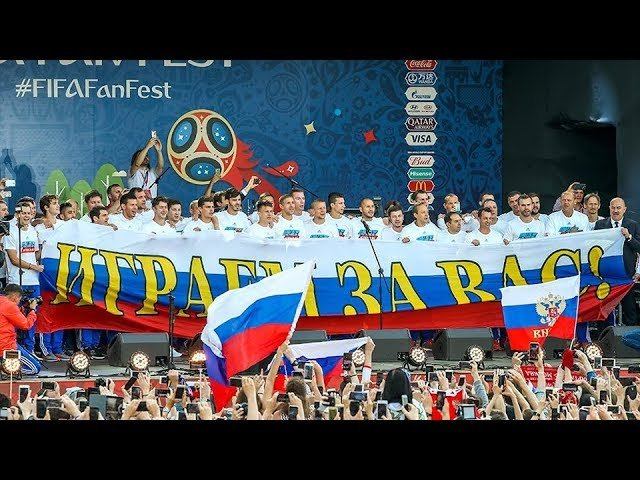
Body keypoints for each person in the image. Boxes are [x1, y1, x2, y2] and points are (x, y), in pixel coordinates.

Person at [2, 202, 44, 360]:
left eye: (29, 213)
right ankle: (14, 349)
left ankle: (29, 349)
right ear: (18, 214)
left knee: (32, 313)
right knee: (16, 316)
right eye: (24, 213)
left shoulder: (33, 231)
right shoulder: (11, 233)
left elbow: (35, 254)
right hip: (17, 281)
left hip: (33, 280)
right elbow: (13, 259)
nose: (27, 216)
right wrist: (33, 266)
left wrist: (47, 245)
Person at [594, 197, 640, 326]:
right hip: (606, 274)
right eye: (613, 207)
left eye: (618, 208)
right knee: (605, 306)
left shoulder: (633, 225)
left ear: (624, 209)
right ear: (609, 208)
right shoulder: (600, 225)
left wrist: (629, 236)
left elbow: (638, 247)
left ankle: (631, 333)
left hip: (626, 273)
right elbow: (594, 247)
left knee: (629, 307)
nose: (615, 210)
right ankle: (604, 333)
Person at [0, 284, 41, 375]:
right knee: (35, 368)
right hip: (6, 347)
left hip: (5, 343)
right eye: (19, 298)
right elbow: (25, 325)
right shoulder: (10, 305)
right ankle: (5, 368)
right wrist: (32, 310)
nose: (19, 301)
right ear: (15, 297)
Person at [129, 136, 164, 203]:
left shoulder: (153, 172)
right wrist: (147, 147)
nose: (145, 158)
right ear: (136, 159)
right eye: (143, 156)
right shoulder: (132, 171)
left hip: (151, 206)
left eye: (147, 156)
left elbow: (160, 166)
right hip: (136, 206)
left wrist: (159, 151)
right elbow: (137, 164)